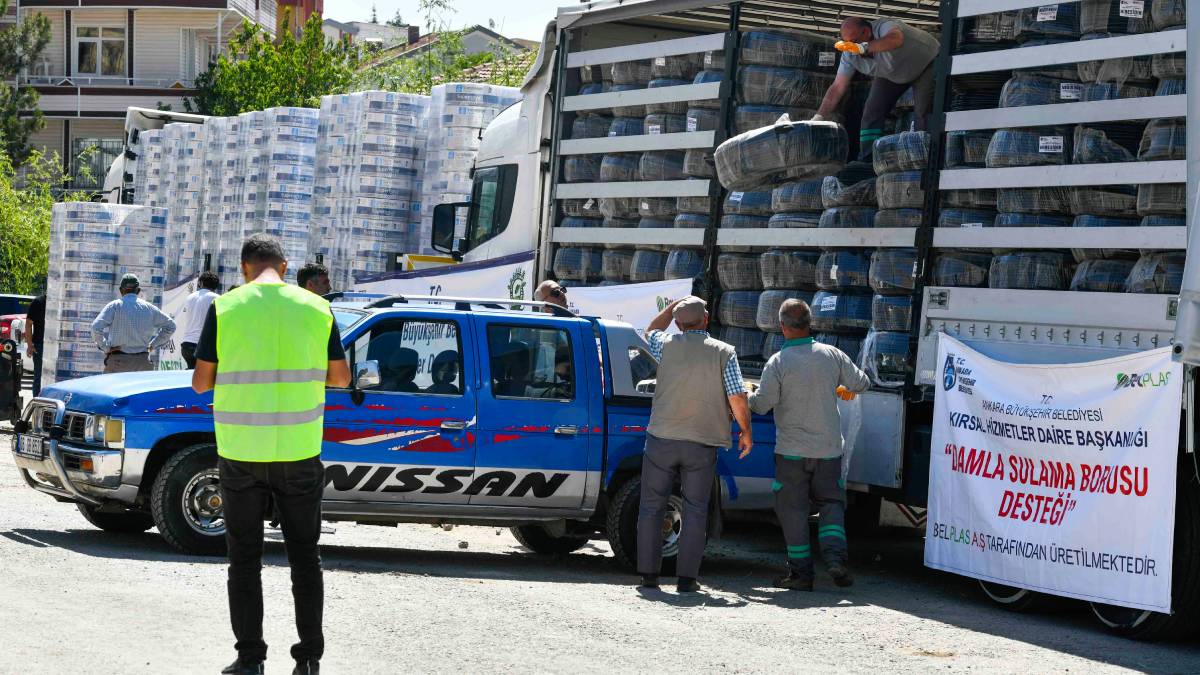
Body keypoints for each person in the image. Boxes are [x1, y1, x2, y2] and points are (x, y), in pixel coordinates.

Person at [191, 233, 351, 675]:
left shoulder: (226, 307)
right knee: (305, 557)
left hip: (241, 452)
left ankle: (249, 659)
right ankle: (309, 661)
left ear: (244, 269)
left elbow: (202, 383)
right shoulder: (318, 308)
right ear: (284, 267)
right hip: (299, 452)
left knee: (244, 558)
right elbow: (340, 378)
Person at [748, 299, 870, 591]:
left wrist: (747, 396)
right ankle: (836, 560)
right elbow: (861, 382)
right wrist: (843, 387)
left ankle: (801, 574)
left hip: (791, 452)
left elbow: (763, 405)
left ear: (782, 327)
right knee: (831, 504)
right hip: (828, 450)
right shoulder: (832, 355)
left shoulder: (778, 362)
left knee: (793, 510)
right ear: (809, 323)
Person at [637, 296, 753, 593]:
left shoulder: (666, 345)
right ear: (706, 320)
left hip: (662, 438)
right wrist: (745, 431)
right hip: (702, 442)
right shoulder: (724, 352)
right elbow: (737, 396)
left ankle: (649, 575)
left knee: (651, 506)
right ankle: (686, 579)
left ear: (678, 323)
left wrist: (671, 306)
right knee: (696, 509)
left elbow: (650, 329)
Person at [813, 16, 940, 159]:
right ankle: (868, 159)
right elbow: (837, 87)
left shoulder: (885, 26)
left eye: (853, 42)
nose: (850, 47)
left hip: (925, 63)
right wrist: (819, 116)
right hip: (892, 73)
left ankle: (923, 158)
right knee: (872, 111)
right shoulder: (849, 54)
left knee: (922, 112)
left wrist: (863, 48)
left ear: (866, 32)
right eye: (846, 43)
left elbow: (896, 39)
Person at [90, 274, 176, 374]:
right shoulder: (149, 308)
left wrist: (106, 348)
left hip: (118, 362)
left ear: (121, 290)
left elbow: (95, 327)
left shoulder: (115, 306)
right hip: (142, 363)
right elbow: (171, 326)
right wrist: (153, 345)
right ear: (138, 291)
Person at [177, 271, 221, 369]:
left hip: (187, 345)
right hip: (204, 347)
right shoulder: (218, 299)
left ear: (200, 283)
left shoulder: (190, 297)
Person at [23, 294, 45, 395]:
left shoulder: (61, 302)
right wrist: (30, 344)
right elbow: (28, 323)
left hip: (57, 346)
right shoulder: (38, 302)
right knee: (38, 377)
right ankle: (37, 404)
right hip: (39, 345)